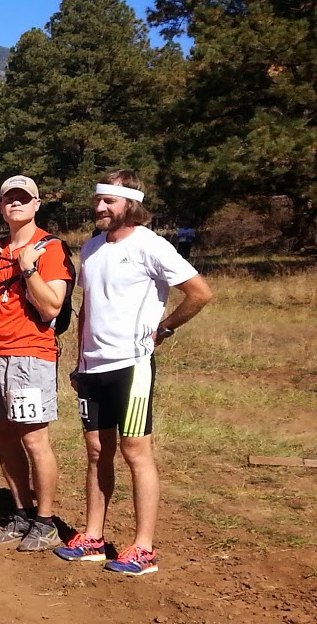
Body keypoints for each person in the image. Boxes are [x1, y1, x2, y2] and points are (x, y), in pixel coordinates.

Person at [56, 172, 213, 576]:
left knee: (135, 451)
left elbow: (199, 292)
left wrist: (165, 328)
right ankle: (92, 537)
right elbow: (88, 306)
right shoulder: (91, 248)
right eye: (98, 200)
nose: (100, 208)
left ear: (131, 204)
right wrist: (79, 362)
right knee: (95, 451)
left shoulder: (151, 245)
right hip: (92, 366)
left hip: (132, 364)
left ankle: (144, 549)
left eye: (109, 201)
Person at [0, 176, 74, 552]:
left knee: (34, 439)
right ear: (0, 207)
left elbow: (51, 307)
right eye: (8, 199)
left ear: (36, 205)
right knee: (2, 438)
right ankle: (20, 513)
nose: (15, 205)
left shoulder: (49, 248)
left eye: (23, 199)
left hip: (30, 356)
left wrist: (29, 268)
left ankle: (45, 522)